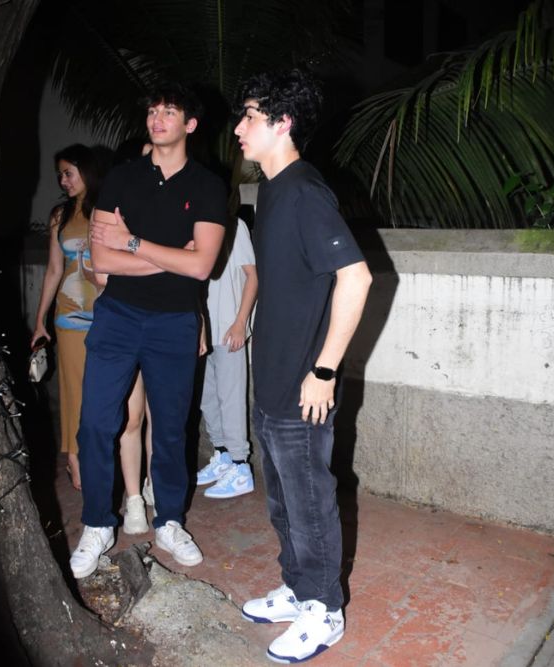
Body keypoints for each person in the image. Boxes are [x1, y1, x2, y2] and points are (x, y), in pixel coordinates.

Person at [233, 69, 372, 663]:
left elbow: (356, 277)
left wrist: (324, 371)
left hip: (301, 386)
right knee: (284, 501)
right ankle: (298, 589)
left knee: (311, 500)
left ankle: (325, 610)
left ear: (282, 124)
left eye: (250, 117)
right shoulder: (271, 190)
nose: (239, 128)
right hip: (273, 380)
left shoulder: (304, 191)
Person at [69, 83, 227, 579]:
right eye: (153, 111)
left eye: (169, 111)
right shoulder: (119, 179)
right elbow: (100, 262)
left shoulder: (207, 186)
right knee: (95, 423)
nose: (157, 118)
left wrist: (133, 243)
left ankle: (171, 522)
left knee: (172, 428)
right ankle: (97, 523)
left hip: (174, 323)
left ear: (190, 124)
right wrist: (172, 257)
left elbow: (202, 267)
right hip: (117, 316)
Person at [29, 144, 103, 491]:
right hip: (70, 317)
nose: (63, 179)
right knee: (74, 391)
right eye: (60, 173)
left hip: (106, 314)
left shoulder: (108, 209)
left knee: (101, 392)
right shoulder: (59, 215)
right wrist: (40, 319)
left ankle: (101, 456)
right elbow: (53, 270)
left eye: (68, 172)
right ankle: (74, 459)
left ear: (86, 171)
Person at [194, 217, 258, 498]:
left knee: (230, 396)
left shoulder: (235, 226)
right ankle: (222, 456)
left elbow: (252, 275)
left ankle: (241, 466)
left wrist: (240, 322)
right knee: (207, 396)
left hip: (228, 323)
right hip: (201, 326)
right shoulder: (195, 222)